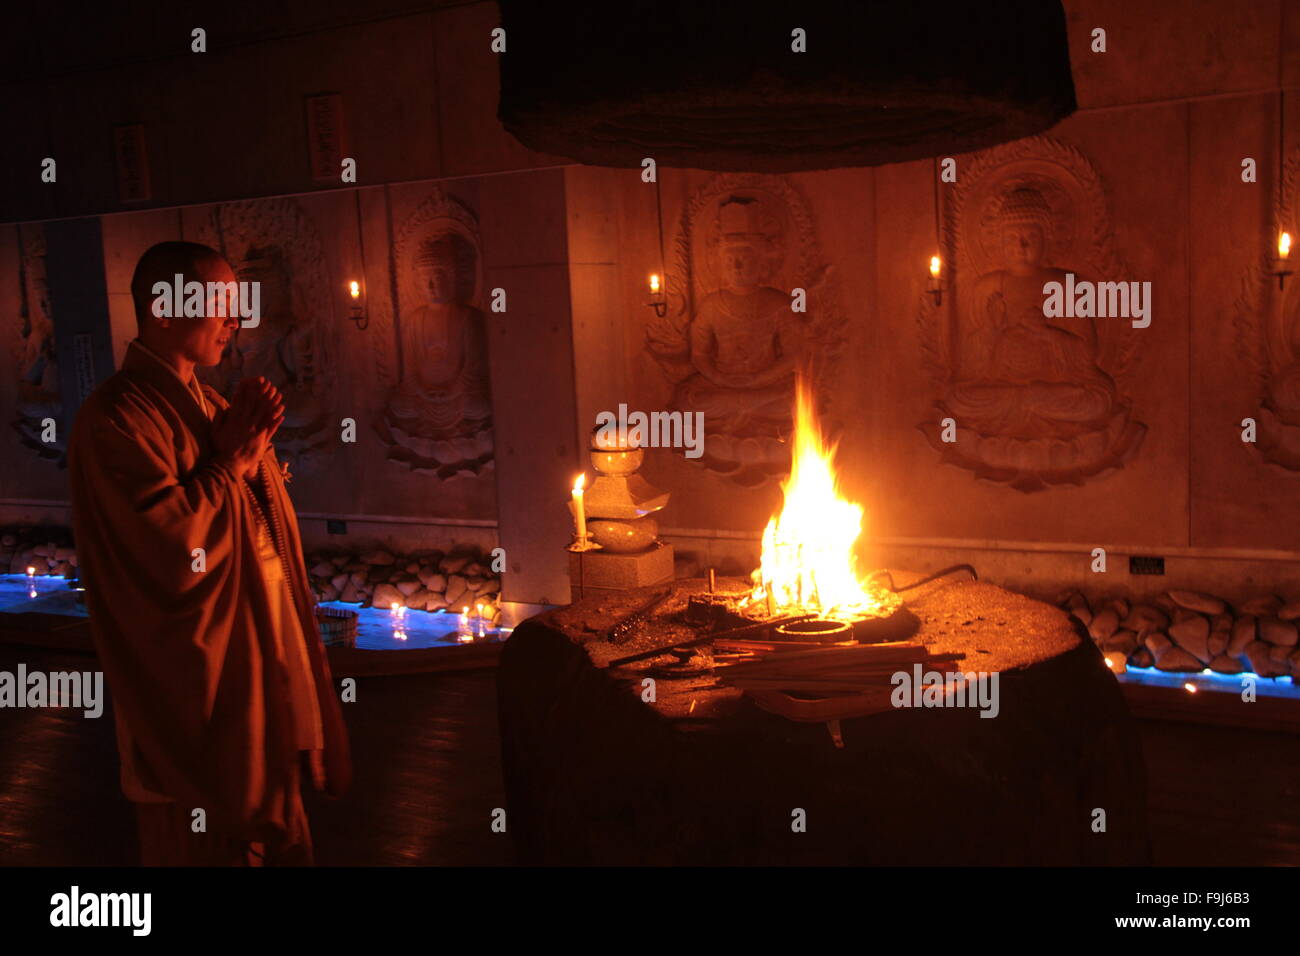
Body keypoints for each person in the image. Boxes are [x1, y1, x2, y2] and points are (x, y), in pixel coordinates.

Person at [68, 240, 350, 865]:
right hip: (200, 691)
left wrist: (256, 467)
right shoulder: (117, 418)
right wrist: (233, 465)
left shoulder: (214, 404)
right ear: (163, 310)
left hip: (262, 664)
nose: (235, 320)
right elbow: (166, 547)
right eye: (219, 302)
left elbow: (259, 526)